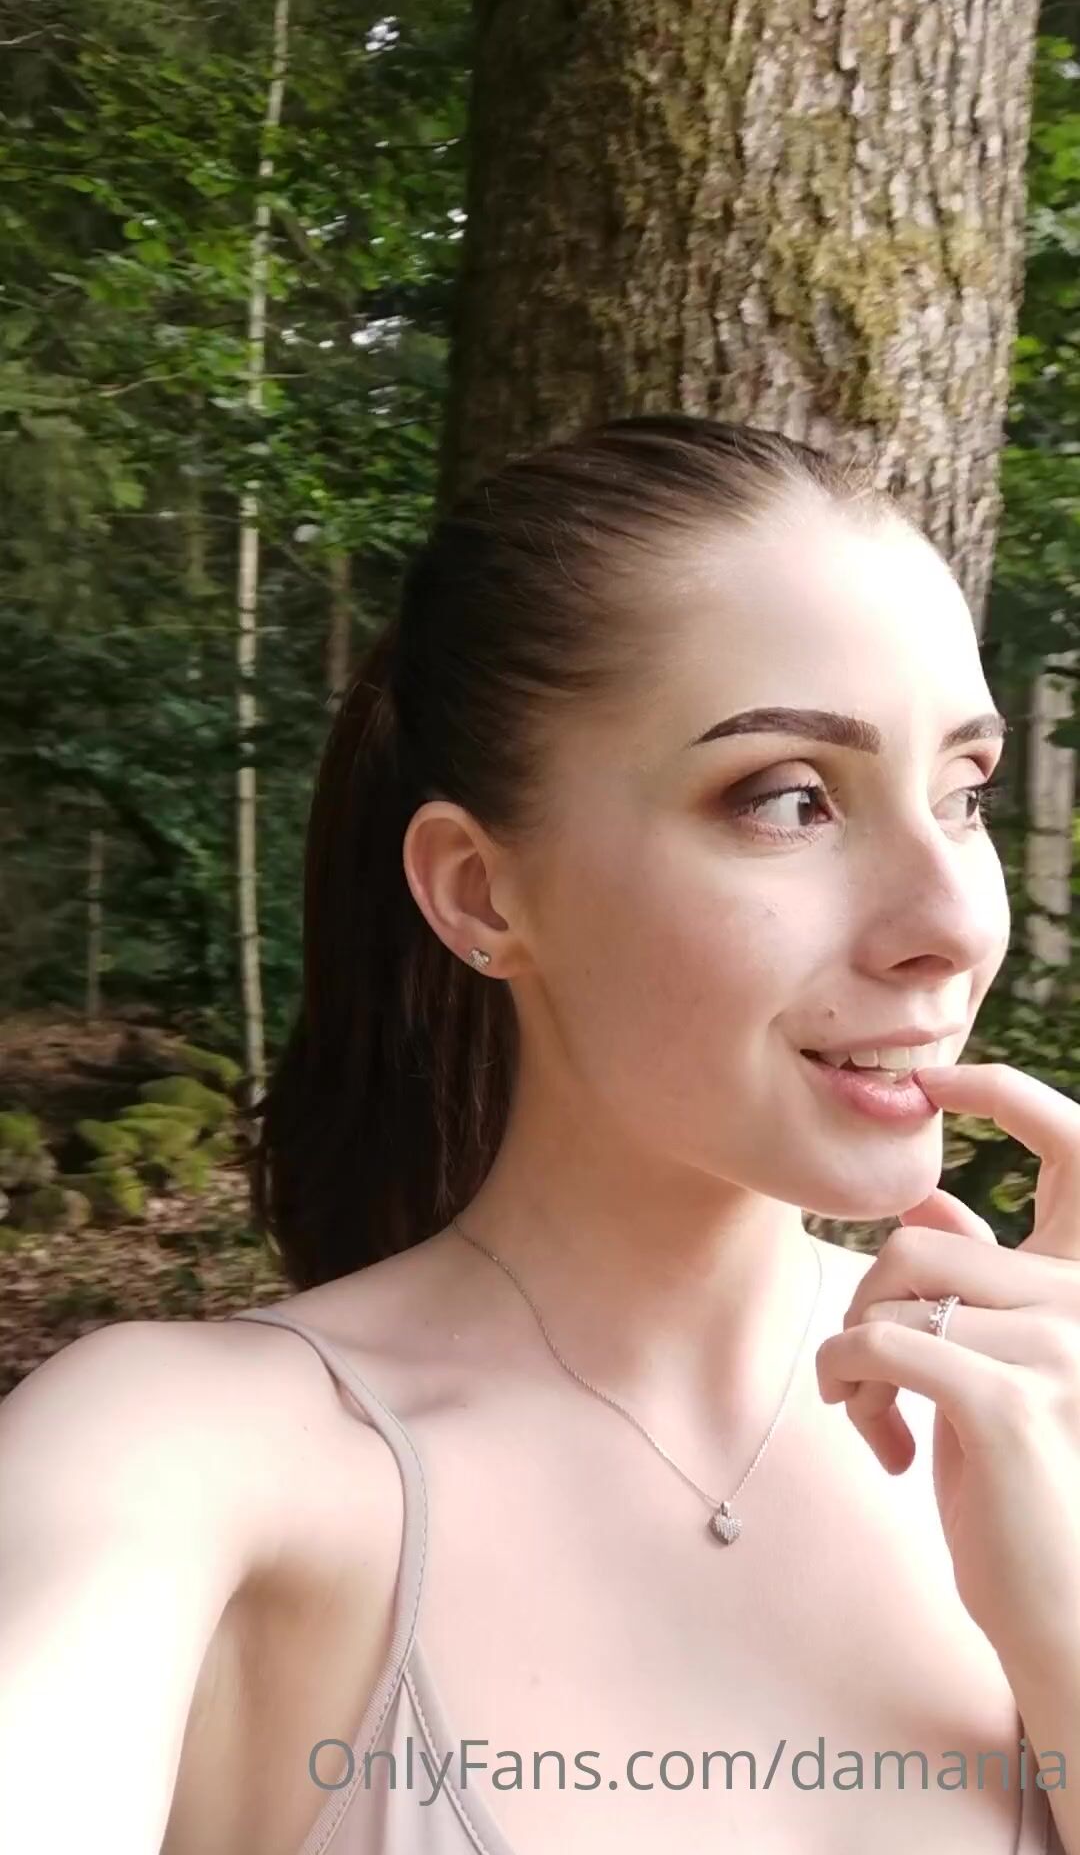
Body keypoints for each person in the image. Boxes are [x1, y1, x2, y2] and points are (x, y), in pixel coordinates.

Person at [0, 416, 1067, 1855]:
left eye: (966, 794)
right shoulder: (174, 1465)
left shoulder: (1036, 1429)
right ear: (482, 893)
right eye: (791, 801)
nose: (949, 925)